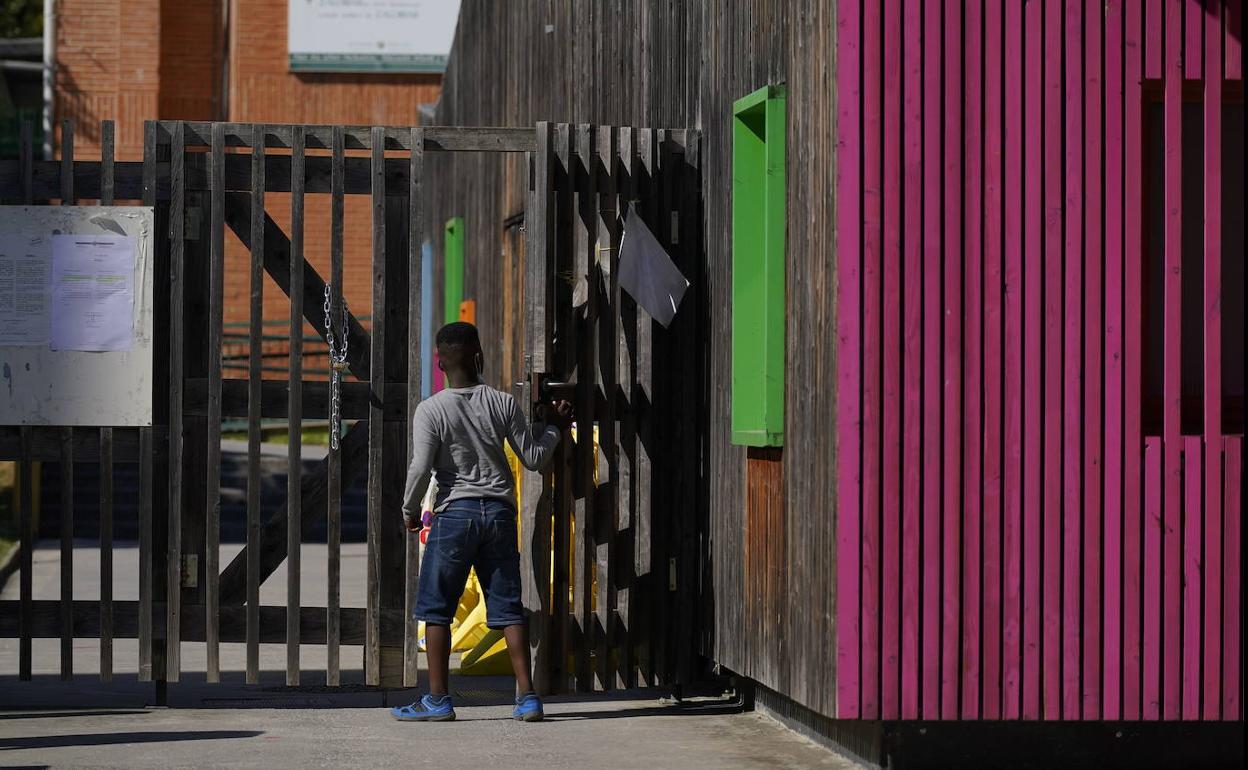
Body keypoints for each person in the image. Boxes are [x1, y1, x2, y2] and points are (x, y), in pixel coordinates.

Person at [390, 321, 571, 723]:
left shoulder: (431, 409)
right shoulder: (503, 403)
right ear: (479, 357)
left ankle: (438, 700)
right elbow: (535, 458)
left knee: (436, 609)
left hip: (455, 515)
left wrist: (408, 509)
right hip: (500, 515)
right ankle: (527, 698)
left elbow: (420, 468)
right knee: (508, 609)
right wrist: (554, 428)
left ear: (440, 364)